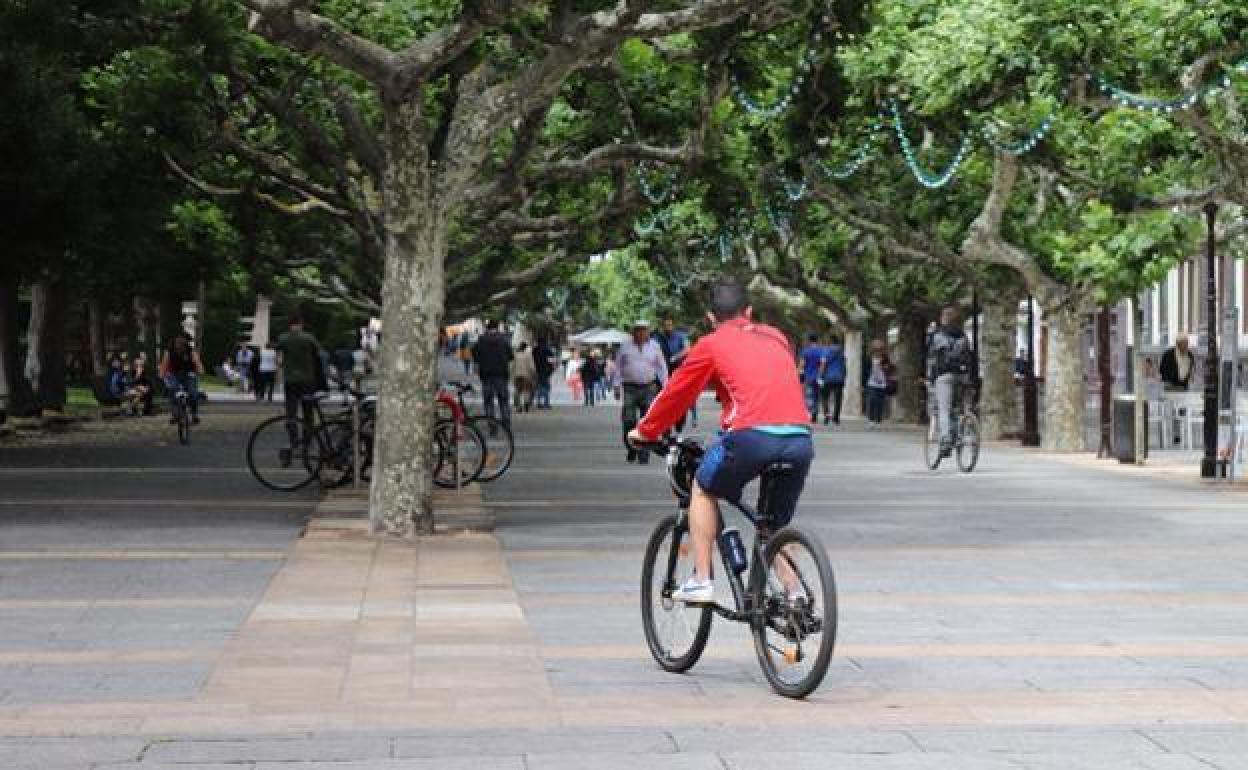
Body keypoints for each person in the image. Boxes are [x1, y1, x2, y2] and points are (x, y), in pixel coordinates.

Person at [628, 280, 812, 603]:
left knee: (703, 487)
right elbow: (759, 375)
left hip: (751, 437)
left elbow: (675, 394)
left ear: (711, 317)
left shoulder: (710, 344)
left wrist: (644, 431)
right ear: (750, 312)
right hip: (799, 438)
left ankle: (701, 579)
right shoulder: (777, 337)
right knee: (774, 525)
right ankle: (796, 594)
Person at [613, 320, 668, 465]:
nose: (641, 333)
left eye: (644, 330)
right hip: (630, 387)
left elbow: (661, 366)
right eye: (638, 330)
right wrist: (616, 385)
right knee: (629, 420)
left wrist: (666, 386)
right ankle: (632, 448)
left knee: (647, 422)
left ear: (648, 332)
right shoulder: (625, 346)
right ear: (633, 332)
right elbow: (618, 366)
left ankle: (644, 454)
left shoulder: (655, 346)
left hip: (649, 387)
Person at [925, 306, 974, 455]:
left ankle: (946, 440)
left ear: (943, 319)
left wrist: (929, 378)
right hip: (962, 375)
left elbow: (932, 359)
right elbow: (969, 356)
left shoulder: (938, 336)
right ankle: (962, 433)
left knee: (944, 409)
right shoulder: (963, 337)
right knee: (959, 407)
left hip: (944, 376)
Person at [275, 312, 323, 443]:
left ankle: (293, 439)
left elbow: (278, 357)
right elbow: (319, 355)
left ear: (289, 325)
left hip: (290, 379)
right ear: (301, 325)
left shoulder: (283, 338)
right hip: (307, 379)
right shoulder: (309, 338)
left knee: (291, 412)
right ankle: (308, 440)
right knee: (308, 413)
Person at [472, 319, 514, 425]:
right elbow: (511, 356)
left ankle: (491, 424)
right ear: (497, 327)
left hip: (486, 375)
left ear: (487, 327)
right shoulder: (504, 340)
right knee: (503, 400)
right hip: (501, 374)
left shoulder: (481, 340)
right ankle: (506, 422)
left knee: (488, 401)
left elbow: (475, 354)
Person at [158, 332, 204, 425]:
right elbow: (164, 363)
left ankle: (194, 414)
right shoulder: (169, 351)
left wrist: (199, 370)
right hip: (174, 374)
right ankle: (174, 414)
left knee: (193, 393)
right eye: (178, 341)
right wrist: (162, 374)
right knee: (173, 389)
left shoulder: (190, 351)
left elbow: (197, 362)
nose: (180, 343)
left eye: (182, 341)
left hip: (189, 374)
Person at [654, 318, 691, 430]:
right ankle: (666, 428)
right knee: (664, 402)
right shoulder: (657, 338)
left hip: (678, 373)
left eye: (670, 325)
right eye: (665, 325)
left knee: (679, 401)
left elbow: (688, 349)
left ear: (673, 325)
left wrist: (675, 357)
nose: (668, 327)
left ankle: (679, 427)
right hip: (662, 374)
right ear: (662, 326)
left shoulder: (680, 336)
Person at [863, 339, 895, 427]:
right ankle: (871, 420)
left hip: (883, 384)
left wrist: (887, 367)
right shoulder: (869, 358)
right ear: (873, 349)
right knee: (871, 401)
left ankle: (878, 420)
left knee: (880, 403)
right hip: (871, 383)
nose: (878, 351)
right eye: (876, 349)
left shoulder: (885, 358)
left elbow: (891, 368)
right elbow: (865, 370)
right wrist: (864, 383)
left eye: (880, 349)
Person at [820, 333, 847, 426]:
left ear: (830, 341)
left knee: (825, 397)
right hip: (839, 378)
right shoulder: (841, 351)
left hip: (828, 377)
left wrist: (820, 375)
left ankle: (827, 415)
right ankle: (836, 418)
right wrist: (844, 376)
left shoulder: (826, 351)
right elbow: (844, 365)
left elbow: (823, 364)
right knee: (838, 399)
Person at [798, 333, 826, 424]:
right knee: (817, 396)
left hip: (808, 376)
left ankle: (809, 414)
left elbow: (802, 364)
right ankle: (815, 414)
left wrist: (799, 372)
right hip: (817, 377)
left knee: (809, 395)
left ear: (809, 341)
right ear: (817, 340)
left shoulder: (806, 351)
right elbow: (822, 363)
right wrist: (820, 374)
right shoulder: (821, 351)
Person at [512, 341, 537, 413]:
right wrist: (534, 374)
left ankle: (518, 406)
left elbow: (511, 366)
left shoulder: (515, 355)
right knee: (526, 390)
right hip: (526, 375)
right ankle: (526, 404)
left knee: (517, 391)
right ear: (525, 348)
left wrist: (511, 375)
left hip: (517, 375)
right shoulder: (528, 355)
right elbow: (532, 366)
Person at [533, 339, 556, 409]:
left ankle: (539, 403)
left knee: (539, 387)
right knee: (546, 387)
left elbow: (532, 360)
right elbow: (552, 361)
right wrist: (552, 370)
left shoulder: (535, 350)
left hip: (537, 371)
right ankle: (546, 403)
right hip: (546, 371)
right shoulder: (548, 350)